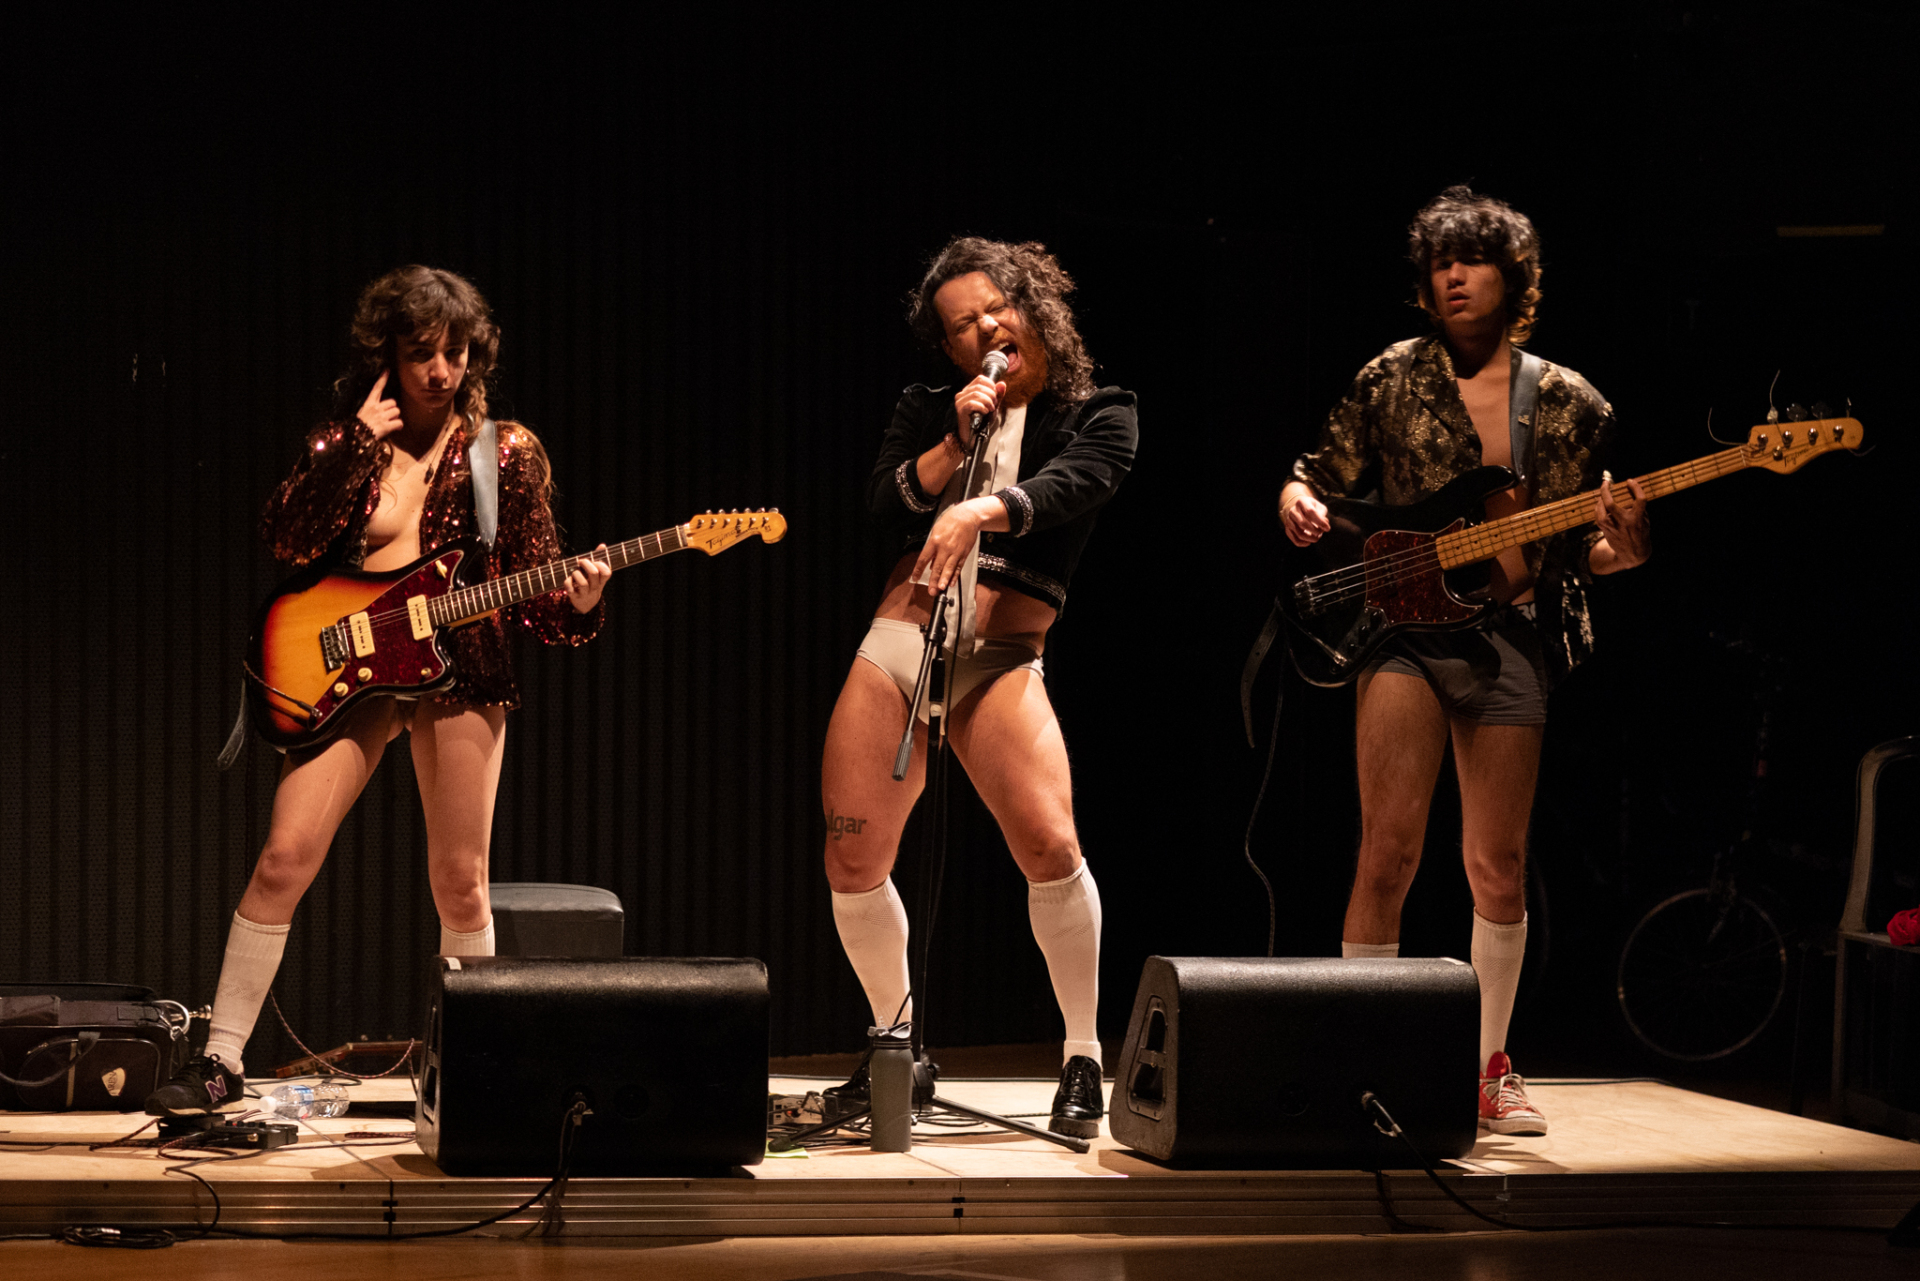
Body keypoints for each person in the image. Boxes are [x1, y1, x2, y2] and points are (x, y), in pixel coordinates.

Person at [147, 266, 611, 1115]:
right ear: (387, 355)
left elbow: (541, 606)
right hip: (354, 666)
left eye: (455, 352)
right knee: (284, 857)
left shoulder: (504, 453)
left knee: (460, 879)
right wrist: (354, 443)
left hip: (458, 664)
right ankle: (220, 1059)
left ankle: (479, 1070)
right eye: (420, 352)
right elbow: (285, 537)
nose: (440, 370)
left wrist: (580, 600)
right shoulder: (350, 439)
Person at [1279, 188, 1650, 1136]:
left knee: (1498, 860)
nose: (1452, 275)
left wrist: (1628, 546)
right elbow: (1314, 473)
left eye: (1473, 258)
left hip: (1513, 635)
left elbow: (1597, 555)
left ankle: (1488, 1066)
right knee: (1387, 849)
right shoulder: (1392, 376)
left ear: (1511, 277)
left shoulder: (1571, 401)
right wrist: (1296, 498)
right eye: (1439, 260)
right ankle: (1366, 1061)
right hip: (1404, 634)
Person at [820, 237, 1137, 1138]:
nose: (986, 329)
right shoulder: (932, 410)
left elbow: (1080, 483)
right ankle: (897, 1045)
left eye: (996, 307)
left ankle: (1082, 1056)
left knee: (1047, 839)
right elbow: (882, 502)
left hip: (1002, 652)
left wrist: (982, 506)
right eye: (964, 325)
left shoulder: (1098, 411)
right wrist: (955, 444)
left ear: (1033, 305)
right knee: (852, 854)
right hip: (904, 636)